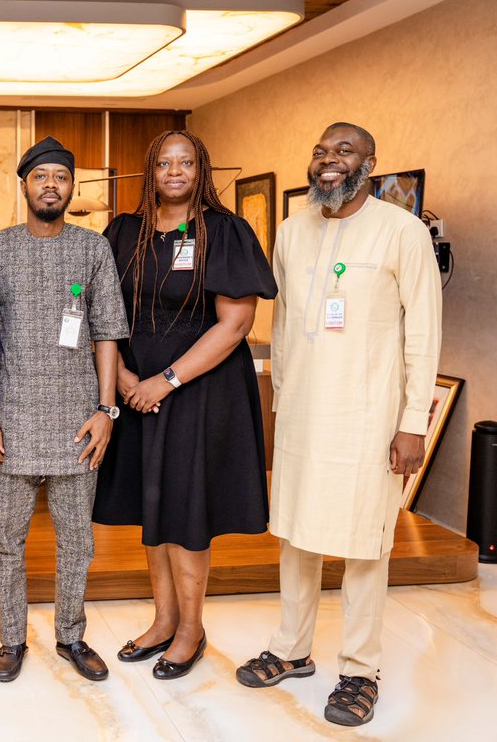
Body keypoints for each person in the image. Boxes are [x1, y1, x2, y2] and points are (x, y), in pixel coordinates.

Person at [235, 123, 441, 727]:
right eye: (321, 151)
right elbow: (291, 324)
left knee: (363, 543)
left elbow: (424, 335)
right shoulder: (293, 231)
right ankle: (292, 649)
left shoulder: (402, 231)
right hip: (302, 413)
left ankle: (359, 669)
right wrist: (281, 403)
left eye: (344, 151)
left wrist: (412, 423)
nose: (329, 161)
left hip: (368, 415)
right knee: (296, 534)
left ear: (370, 164)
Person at [93, 129, 276, 680]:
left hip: (198, 389)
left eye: (186, 162)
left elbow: (236, 323)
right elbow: (104, 312)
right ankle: (163, 619)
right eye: (164, 163)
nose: (175, 171)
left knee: (186, 509)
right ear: (150, 171)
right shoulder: (122, 232)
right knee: (154, 506)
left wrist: (165, 381)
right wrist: (124, 376)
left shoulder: (225, 231)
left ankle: (191, 630)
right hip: (135, 387)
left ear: (202, 170)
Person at [0, 136, 128, 683]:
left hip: (76, 422)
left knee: (77, 542)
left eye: (60, 177)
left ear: (72, 188)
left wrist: (106, 411)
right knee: (6, 543)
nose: (50, 185)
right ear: (24, 185)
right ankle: (12, 639)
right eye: (39, 176)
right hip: (10, 419)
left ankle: (71, 635)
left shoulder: (93, 250)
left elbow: (108, 333)